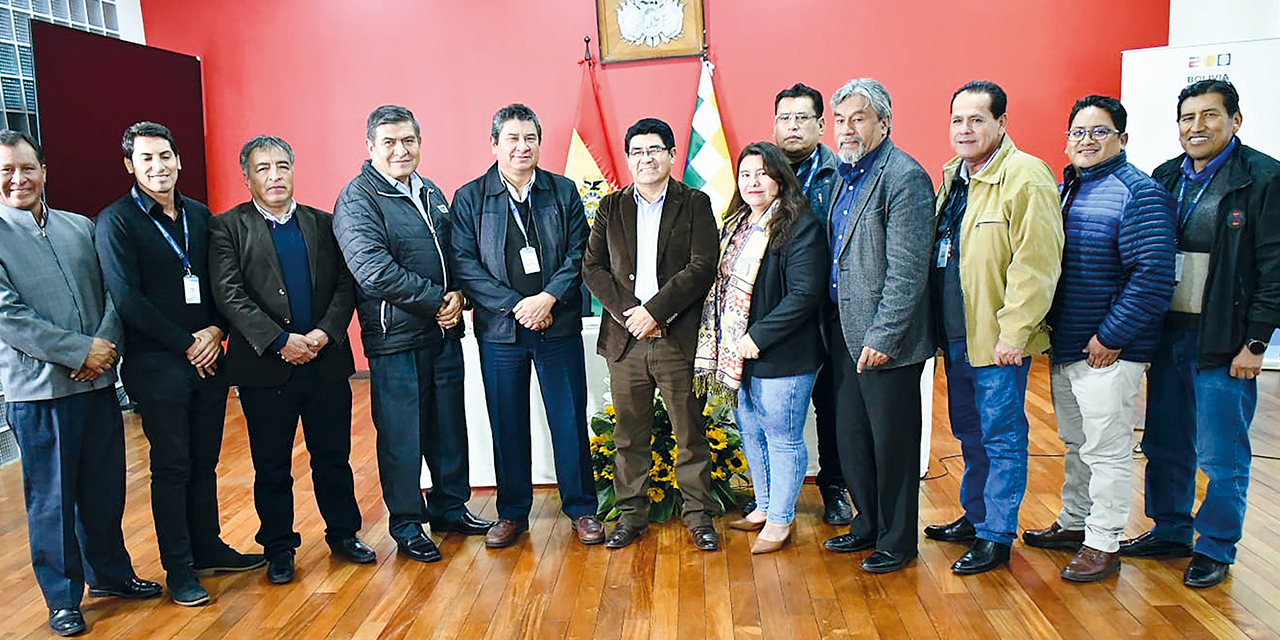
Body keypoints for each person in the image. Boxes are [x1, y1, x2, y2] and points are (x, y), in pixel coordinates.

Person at [0, 130, 162, 636]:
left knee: (103, 490)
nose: (18, 179)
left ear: (45, 171)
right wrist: (77, 351)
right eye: (6, 171)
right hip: (40, 393)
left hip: (96, 386)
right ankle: (63, 598)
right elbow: (9, 317)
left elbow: (115, 294)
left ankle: (111, 574)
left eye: (27, 168)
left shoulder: (79, 228)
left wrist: (103, 348)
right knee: (52, 500)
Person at [96, 121, 264, 606]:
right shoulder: (117, 221)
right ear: (131, 165)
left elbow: (219, 282)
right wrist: (187, 343)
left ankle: (208, 546)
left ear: (179, 160)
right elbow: (127, 299)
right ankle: (179, 567)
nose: (158, 166)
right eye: (146, 158)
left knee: (205, 462)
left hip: (209, 359)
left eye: (165, 156)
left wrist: (215, 331)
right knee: (172, 466)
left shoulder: (198, 213)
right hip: (157, 364)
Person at [1122, 80, 1280, 588]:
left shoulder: (1263, 178)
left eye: (1210, 116)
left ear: (1235, 121)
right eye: (1188, 117)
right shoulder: (1167, 176)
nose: (1197, 127)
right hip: (1168, 333)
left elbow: (1275, 268)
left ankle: (1215, 546)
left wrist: (1256, 342)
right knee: (1166, 441)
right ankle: (1170, 528)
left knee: (1221, 452)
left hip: (1225, 341)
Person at [1021, 95, 1176, 583]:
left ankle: (1103, 542)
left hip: (1109, 351)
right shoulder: (1071, 188)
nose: (1086, 141)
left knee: (1107, 449)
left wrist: (1111, 336)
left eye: (1099, 132)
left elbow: (1153, 275)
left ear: (1122, 139)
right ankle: (1075, 524)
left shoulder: (1140, 192)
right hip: (1068, 346)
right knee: (1075, 443)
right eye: (1078, 133)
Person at [210, 135, 376, 584]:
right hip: (266, 368)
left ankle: (344, 534)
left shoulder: (323, 223)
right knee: (271, 465)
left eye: (282, 166)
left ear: (293, 170)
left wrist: (325, 333)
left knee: (333, 457)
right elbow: (229, 294)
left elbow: (346, 285)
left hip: (324, 361)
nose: (274, 176)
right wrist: (280, 339)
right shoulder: (227, 227)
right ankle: (279, 547)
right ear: (247, 177)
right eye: (263, 168)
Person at [333, 105, 490, 565]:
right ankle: (406, 523)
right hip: (396, 338)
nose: (400, 150)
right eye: (389, 142)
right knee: (402, 436)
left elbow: (457, 252)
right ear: (370, 147)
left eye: (408, 141)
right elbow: (372, 270)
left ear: (420, 142)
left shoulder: (430, 190)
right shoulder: (358, 197)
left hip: (443, 333)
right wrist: (437, 301)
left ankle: (450, 507)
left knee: (447, 426)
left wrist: (459, 294)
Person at [923, 81, 1063, 575]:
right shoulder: (953, 178)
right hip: (956, 334)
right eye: (958, 120)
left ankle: (996, 535)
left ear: (1002, 124)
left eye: (977, 119)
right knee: (970, 433)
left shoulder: (1026, 177)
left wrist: (1015, 333)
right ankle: (976, 514)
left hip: (997, 338)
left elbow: (1037, 264)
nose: (965, 129)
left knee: (1001, 435)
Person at [451, 103, 603, 549]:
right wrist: (517, 305)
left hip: (556, 326)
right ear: (494, 143)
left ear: (539, 143)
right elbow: (465, 264)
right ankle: (512, 512)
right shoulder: (470, 197)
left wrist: (548, 298)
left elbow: (581, 252)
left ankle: (581, 509)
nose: (522, 147)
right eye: (512, 139)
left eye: (530, 138)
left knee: (569, 419)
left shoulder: (563, 191)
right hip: (501, 333)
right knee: (507, 421)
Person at [582, 118, 720, 551]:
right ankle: (631, 515)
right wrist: (631, 315)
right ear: (628, 159)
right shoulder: (611, 206)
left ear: (672, 154)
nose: (646, 158)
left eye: (655, 149)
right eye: (638, 151)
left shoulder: (695, 203)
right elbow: (593, 268)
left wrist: (657, 312)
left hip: (676, 338)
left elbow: (702, 267)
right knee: (629, 435)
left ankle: (698, 516)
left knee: (690, 432)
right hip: (626, 342)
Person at [816, 79, 935, 574]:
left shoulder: (904, 177)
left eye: (858, 118)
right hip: (843, 335)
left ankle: (898, 540)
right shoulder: (844, 175)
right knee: (852, 439)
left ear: (884, 123)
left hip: (886, 342)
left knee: (893, 446)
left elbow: (908, 270)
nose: (847, 128)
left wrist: (883, 337)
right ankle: (866, 524)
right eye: (840, 119)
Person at [697, 141, 826, 554]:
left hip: (782, 354)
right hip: (739, 355)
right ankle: (765, 506)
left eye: (762, 173)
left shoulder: (800, 225)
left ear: (780, 179)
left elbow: (805, 294)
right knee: (751, 430)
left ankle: (782, 520)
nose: (753, 182)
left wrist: (758, 336)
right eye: (745, 174)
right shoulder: (736, 224)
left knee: (783, 436)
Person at [771, 82, 852, 525]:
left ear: (822, 125)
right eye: (785, 117)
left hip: (829, 311)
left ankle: (834, 487)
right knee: (771, 406)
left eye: (803, 117)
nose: (794, 126)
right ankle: (770, 492)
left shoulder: (840, 176)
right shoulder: (760, 173)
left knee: (832, 404)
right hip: (774, 314)